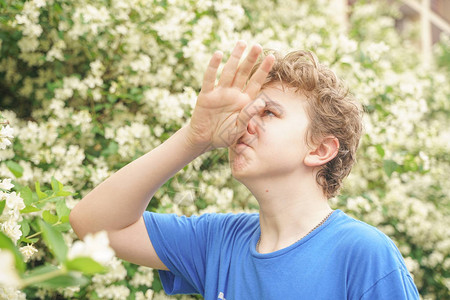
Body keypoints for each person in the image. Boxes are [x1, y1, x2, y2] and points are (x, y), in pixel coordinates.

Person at [70, 41, 420, 299]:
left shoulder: (362, 252)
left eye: (268, 112)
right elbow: (91, 224)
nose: (244, 122)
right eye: (249, 110)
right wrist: (195, 138)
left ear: (320, 149)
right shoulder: (217, 241)